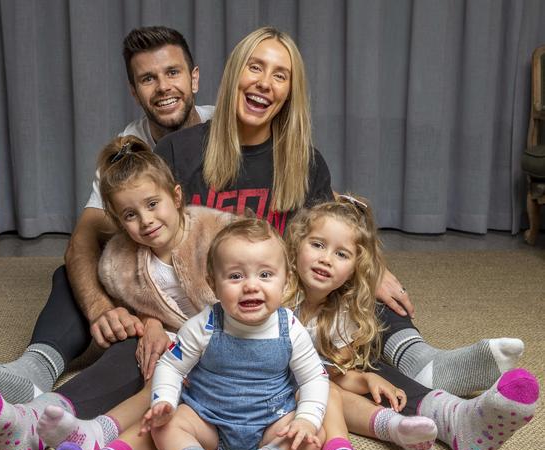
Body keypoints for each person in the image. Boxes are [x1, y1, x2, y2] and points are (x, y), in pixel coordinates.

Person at [153, 25, 524, 402]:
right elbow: (145, 245)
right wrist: (150, 317)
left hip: (287, 300)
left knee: (352, 282)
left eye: (280, 75)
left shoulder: (305, 162)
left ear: (289, 93)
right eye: (255, 67)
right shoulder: (175, 153)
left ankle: (422, 364)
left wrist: (370, 269)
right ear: (234, 74)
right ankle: (437, 406)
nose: (265, 83)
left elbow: (326, 240)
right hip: (210, 305)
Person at [0, 26, 214, 416]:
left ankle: (59, 409)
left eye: (173, 73)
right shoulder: (125, 152)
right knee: (71, 273)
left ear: (194, 77)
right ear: (133, 91)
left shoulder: (225, 131)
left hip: (212, 289)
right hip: (150, 280)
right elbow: (82, 241)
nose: (163, 87)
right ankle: (33, 371)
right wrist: (101, 309)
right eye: (148, 78)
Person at [0, 135, 235, 450]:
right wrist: (150, 324)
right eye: (130, 214)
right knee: (138, 355)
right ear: (117, 221)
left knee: (158, 384)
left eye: (152, 204)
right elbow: (139, 305)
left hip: (227, 347)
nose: (146, 221)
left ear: (176, 197)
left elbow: (253, 295)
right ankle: (31, 422)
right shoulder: (120, 261)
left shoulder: (217, 233)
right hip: (171, 349)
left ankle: (86, 434)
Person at [284, 198, 539, 450]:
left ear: (355, 270)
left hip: (311, 387)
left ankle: (400, 427)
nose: (326, 259)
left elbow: (330, 373)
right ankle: (371, 440)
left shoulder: (342, 315)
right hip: (267, 387)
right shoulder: (276, 292)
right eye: (318, 245)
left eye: (341, 254)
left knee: (332, 388)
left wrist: (366, 378)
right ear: (297, 245)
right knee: (329, 392)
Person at [142, 218, 329, 450]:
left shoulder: (289, 327)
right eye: (235, 276)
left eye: (265, 275)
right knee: (165, 427)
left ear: (286, 281)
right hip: (207, 419)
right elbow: (171, 366)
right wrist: (166, 402)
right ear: (213, 283)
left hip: (271, 421)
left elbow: (314, 378)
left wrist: (306, 420)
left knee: (313, 437)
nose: (251, 286)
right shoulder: (205, 324)